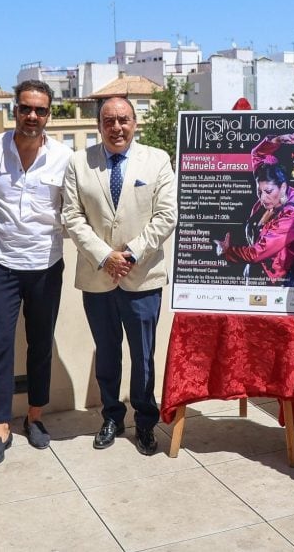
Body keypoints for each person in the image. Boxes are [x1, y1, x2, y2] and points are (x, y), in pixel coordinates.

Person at [62, 96, 177, 455]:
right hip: (98, 278)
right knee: (108, 352)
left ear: (134, 122)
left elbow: (167, 214)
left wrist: (130, 254)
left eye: (123, 120)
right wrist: (104, 256)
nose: (117, 127)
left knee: (143, 356)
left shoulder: (157, 159)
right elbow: (72, 216)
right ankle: (111, 416)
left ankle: (145, 421)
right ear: (99, 125)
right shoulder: (79, 163)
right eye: (109, 121)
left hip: (142, 277)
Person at [0, 80, 71, 467]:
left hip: (46, 264)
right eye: (26, 108)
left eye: (41, 110)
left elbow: (81, 208)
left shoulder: (65, 157)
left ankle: (34, 416)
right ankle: (1, 426)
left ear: (50, 115)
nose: (32, 116)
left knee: (40, 344)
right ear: (14, 109)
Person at [214, 131, 294, 285]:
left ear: (283, 188)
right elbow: (256, 154)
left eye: (268, 192)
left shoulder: (291, 215)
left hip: (277, 284)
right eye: (259, 191)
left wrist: (228, 251)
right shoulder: (266, 184)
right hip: (253, 276)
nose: (262, 198)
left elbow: (257, 253)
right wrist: (276, 140)